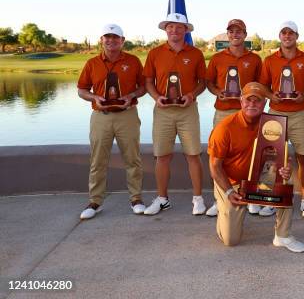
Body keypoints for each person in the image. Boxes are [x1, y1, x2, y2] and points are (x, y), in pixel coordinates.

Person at [208, 82, 304, 253]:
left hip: (262, 179)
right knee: (230, 240)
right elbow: (215, 166)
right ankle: (222, 203)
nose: (252, 104)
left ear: (265, 103)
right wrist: (229, 192)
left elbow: (283, 158)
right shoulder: (224, 128)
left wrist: (285, 168)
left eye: (257, 100)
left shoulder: (275, 125)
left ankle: (282, 236)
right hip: (233, 184)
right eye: (248, 100)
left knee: (287, 178)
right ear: (241, 100)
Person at [77, 24, 147, 219]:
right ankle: (95, 201)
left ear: (122, 41)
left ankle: (136, 198)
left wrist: (131, 95)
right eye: (107, 37)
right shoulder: (92, 63)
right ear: (101, 40)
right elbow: (82, 90)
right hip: (101, 117)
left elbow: (143, 87)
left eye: (115, 38)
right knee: (98, 160)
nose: (111, 41)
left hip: (127, 115)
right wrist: (94, 98)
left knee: (132, 159)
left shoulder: (133, 61)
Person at [142, 13, 208, 216]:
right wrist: (156, 97)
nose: (174, 30)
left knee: (193, 155)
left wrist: (191, 95)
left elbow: (203, 82)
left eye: (179, 27)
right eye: (170, 27)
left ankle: (198, 199)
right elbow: (148, 82)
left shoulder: (196, 54)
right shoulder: (154, 53)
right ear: (165, 29)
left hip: (187, 110)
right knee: (162, 156)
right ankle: (163, 199)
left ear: (186, 30)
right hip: (162, 111)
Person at [205, 18, 262, 217]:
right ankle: (219, 198)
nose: (235, 34)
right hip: (223, 110)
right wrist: (217, 92)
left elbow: (260, 86)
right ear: (227, 34)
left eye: (239, 31)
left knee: (251, 154)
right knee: (218, 156)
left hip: (248, 112)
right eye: (231, 31)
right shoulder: (217, 58)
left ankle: (253, 196)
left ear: (245, 35)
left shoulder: (254, 59)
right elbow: (209, 83)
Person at [258, 21, 304, 218]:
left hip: (300, 114)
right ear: (279, 36)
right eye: (284, 33)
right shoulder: (270, 60)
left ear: (297, 36)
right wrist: (270, 96)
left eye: (291, 33)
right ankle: (271, 197)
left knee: (303, 158)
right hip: (275, 112)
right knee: (272, 157)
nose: (287, 36)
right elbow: (263, 86)